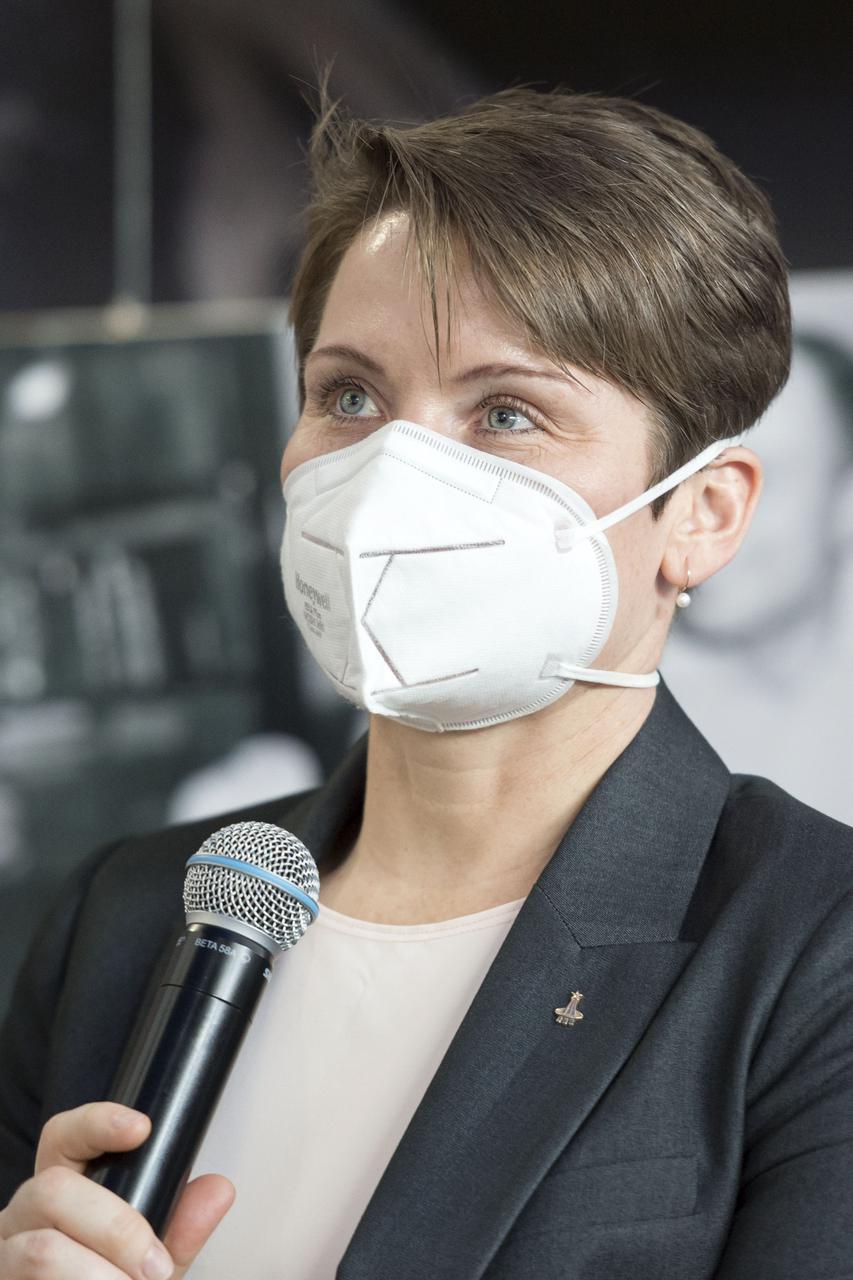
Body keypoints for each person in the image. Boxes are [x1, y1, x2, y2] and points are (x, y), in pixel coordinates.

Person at [1, 83, 851, 1280]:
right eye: (349, 394)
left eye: (507, 412)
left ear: (700, 516)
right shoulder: (129, 914)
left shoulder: (812, 949)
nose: (393, 470)